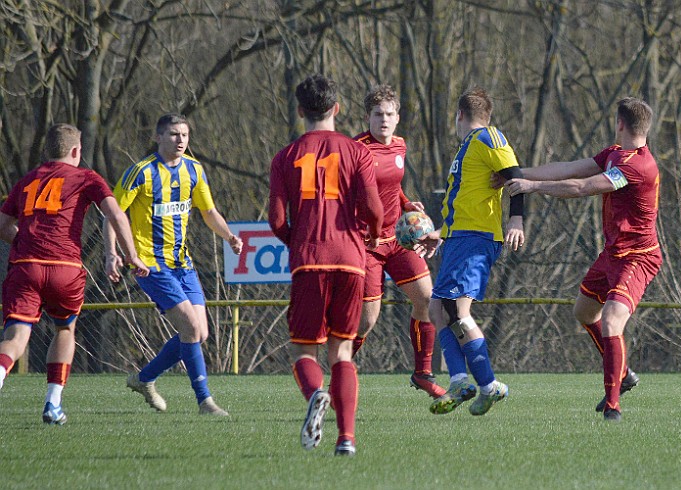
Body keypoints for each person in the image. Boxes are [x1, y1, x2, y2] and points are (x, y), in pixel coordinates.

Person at [503, 97, 660, 422]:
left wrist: (532, 186)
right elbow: (571, 168)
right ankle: (624, 374)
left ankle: (613, 405)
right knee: (585, 311)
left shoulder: (636, 167)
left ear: (620, 123)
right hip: (613, 253)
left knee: (613, 320)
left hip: (638, 257)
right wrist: (516, 173)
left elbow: (581, 187)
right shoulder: (617, 153)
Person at [0, 123, 148, 425]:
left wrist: (24, 241)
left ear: (46, 151)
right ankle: (53, 404)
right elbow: (115, 214)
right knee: (65, 330)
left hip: (25, 265)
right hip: (65, 268)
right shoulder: (86, 177)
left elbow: (2, 225)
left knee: (16, 338)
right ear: (76, 150)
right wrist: (131, 256)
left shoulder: (27, 181)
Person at [269, 75, 383, 456]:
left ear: (301, 111)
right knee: (343, 352)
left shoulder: (285, 157)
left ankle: (316, 394)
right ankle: (346, 439)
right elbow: (373, 207)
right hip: (352, 261)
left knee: (305, 352)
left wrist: (297, 241)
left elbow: (276, 220)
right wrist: (371, 235)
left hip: (309, 261)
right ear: (337, 108)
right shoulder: (357, 151)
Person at [104, 113, 243, 416]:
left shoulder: (194, 170)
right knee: (190, 327)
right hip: (150, 264)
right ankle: (204, 401)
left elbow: (208, 213)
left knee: (199, 333)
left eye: (184, 135)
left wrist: (229, 236)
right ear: (157, 137)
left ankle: (144, 379)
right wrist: (112, 253)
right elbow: (113, 215)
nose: (180, 140)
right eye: (172, 134)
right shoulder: (140, 172)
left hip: (183, 264)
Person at [414, 87, 525, 416]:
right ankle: (463, 379)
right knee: (438, 310)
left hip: (476, 239)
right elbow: (466, 197)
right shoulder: (468, 147)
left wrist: (516, 219)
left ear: (459, 115)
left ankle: (487, 385)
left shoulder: (488, 137)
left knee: (457, 313)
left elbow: (515, 176)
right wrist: (441, 233)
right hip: (458, 238)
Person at [351, 84, 445, 399]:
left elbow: (393, 189)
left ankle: (423, 373)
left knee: (428, 301)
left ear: (398, 116)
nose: (384, 120)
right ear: (368, 117)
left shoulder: (400, 146)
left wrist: (407, 204)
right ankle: (340, 374)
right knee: (366, 321)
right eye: (378, 114)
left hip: (398, 240)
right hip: (367, 245)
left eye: (390, 114)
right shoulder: (356, 150)